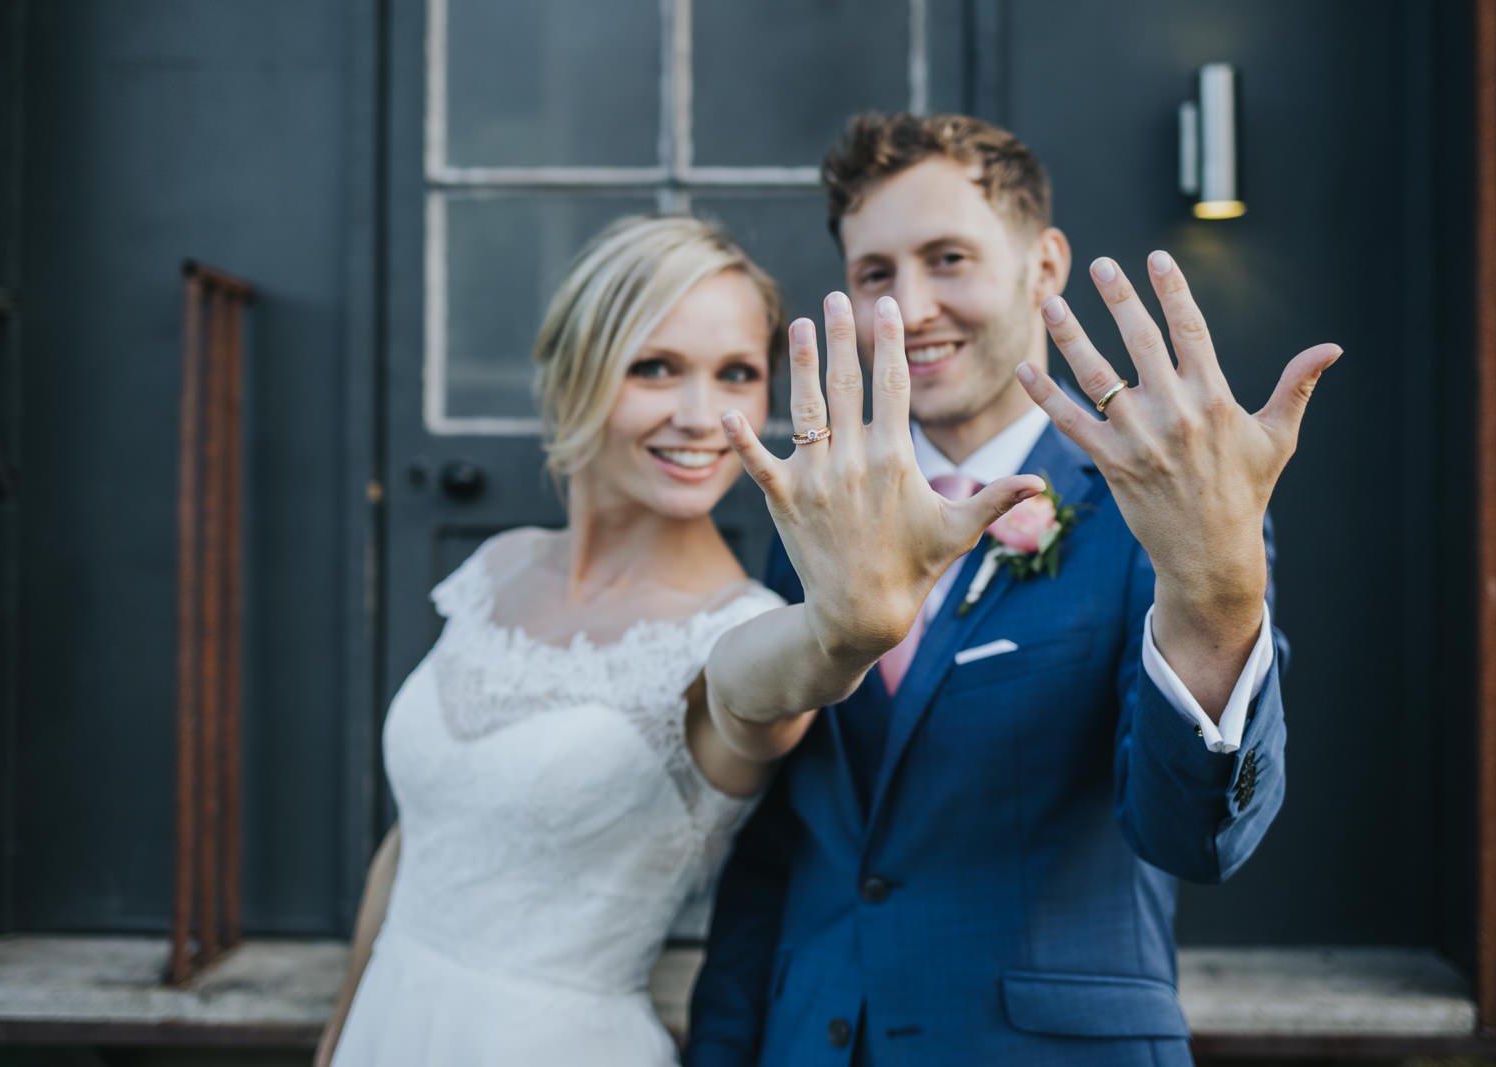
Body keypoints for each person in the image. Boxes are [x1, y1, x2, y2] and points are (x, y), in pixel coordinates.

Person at [686, 113, 1341, 1066]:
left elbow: (1198, 839)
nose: (908, 306)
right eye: (876, 273)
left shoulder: (1158, 512)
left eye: (949, 258)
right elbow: (778, 845)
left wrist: (1220, 592)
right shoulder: (814, 505)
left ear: (1044, 266)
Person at [314, 213, 1040, 1066]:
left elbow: (764, 686)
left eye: (737, 374)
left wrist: (841, 632)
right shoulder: (497, 566)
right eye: (656, 367)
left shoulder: (732, 626)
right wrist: (338, 1039)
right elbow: (414, 841)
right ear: (573, 369)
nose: (703, 416)